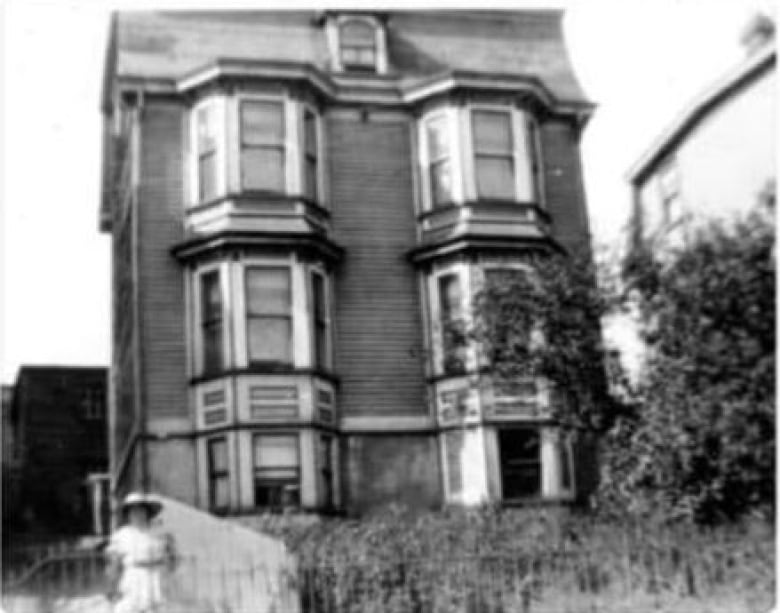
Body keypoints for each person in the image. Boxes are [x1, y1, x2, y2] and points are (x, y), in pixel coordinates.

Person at [105, 492, 175, 613]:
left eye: (141, 510)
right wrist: (112, 587)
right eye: (133, 511)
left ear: (147, 513)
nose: (138, 514)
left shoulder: (160, 533)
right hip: (132, 578)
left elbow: (171, 561)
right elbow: (114, 564)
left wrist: (169, 560)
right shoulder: (122, 535)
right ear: (128, 515)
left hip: (155, 578)